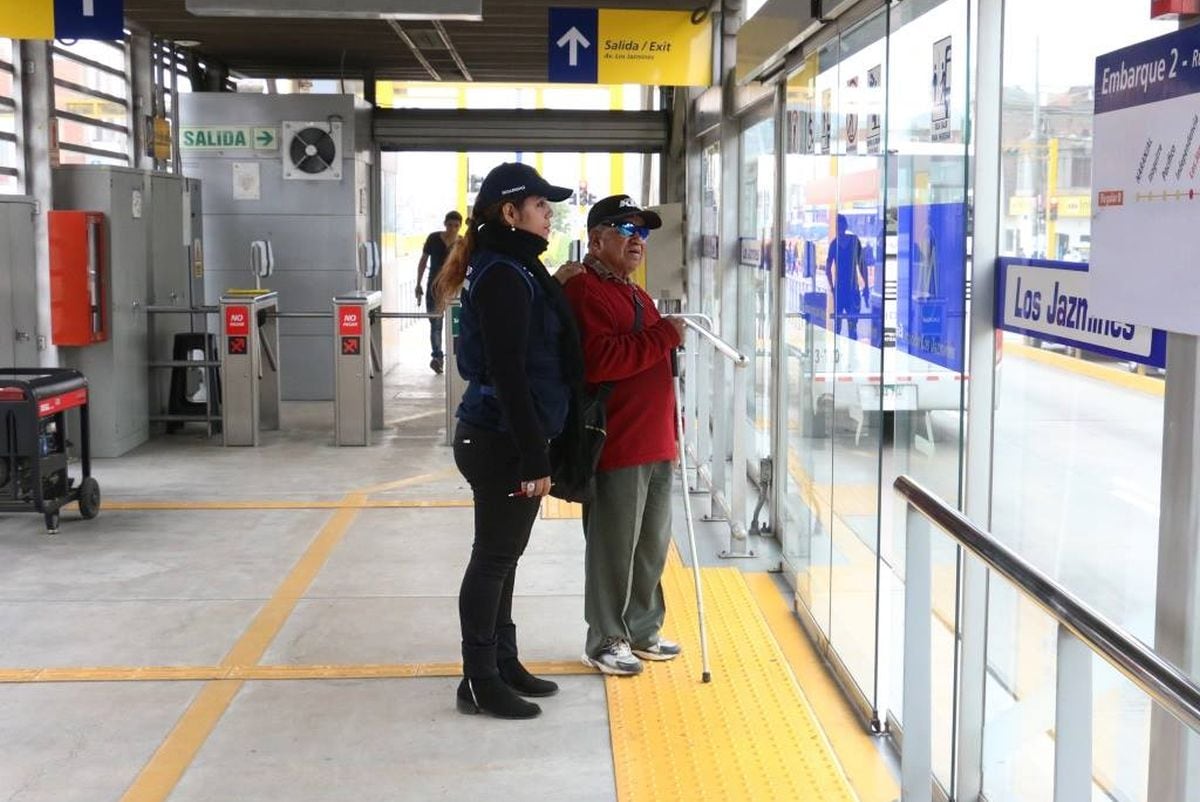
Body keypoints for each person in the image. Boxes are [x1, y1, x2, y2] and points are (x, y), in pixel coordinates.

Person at [434, 162, 583, 719]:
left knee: (505, 556)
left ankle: (503, 660)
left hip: (501, 435)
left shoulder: (513, 269)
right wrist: (533, 453)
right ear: (510, 213)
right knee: (494, 557)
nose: (550, 215)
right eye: (542, 206)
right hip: (500, 440)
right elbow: (511, 372)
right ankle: (477, 679)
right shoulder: (503, 275)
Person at [562, 195, 685, 677]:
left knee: (651, 542)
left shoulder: (635, 293)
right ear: (597, 238)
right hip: (618, 440)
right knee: (614, 544)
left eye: (643, 232)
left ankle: (641, 628)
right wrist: (666, 335)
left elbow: (650, 361)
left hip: (655, 440)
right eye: (625, 229)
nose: (638, 240)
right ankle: (606, 637)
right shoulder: (586, 291)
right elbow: (599, 362)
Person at [416, 210, 463, 374]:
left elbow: (464, 266)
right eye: (450, 225)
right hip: (433, 287)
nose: (452, 229)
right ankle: (437, 357)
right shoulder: (434, 238)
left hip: (453, 287)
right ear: (445, 224)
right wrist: (418, 284)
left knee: (456, 324)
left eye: (456, 226)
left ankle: (457, 358)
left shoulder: (461, 243)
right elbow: (423, 261)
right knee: (436, 323)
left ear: (460, 226)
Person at [825, 214, 869, 340]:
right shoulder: (852, 242)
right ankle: (848, 352)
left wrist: (833, 287)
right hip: (849, 289)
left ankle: (848, 353)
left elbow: (828, 268)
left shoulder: (837, 244)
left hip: (844, 290)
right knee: (848, 326)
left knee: (844, 327)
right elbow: (862, 265)